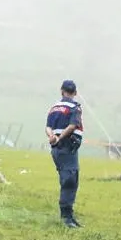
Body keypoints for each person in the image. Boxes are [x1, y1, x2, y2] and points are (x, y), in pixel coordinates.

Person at [46, 79, 84, 228]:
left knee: (66, 178)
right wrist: (61, 138)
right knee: (70, 180)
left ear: (62, 91)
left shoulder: (54, 108)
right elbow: (73, 125)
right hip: (68, 147)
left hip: (55, 149)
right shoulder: (75, 107)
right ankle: (66, 217)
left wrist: (52, 137)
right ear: (75, 93)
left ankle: (69, 215)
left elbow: (48, 127)